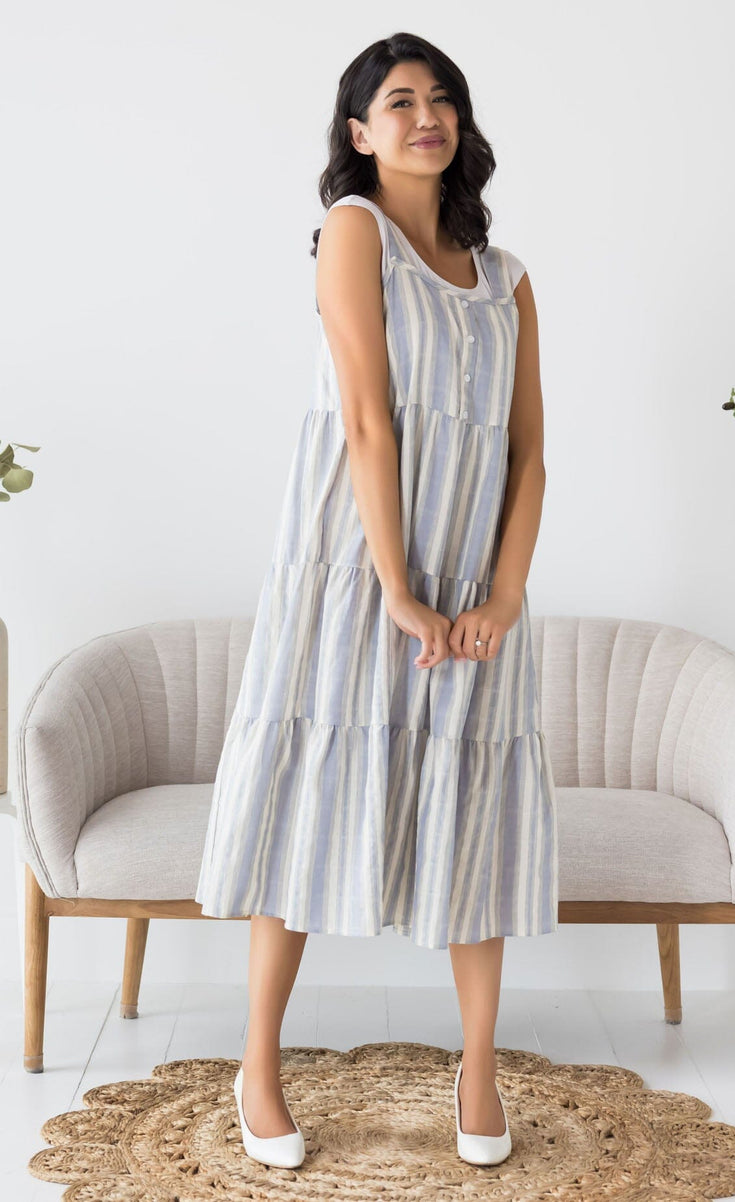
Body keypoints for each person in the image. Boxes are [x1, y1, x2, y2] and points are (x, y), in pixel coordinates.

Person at [194, 31, 558, 1167]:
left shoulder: (506, 278)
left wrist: (503, 594)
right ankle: (258, 1066)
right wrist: (396, 589)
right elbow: (364, 417)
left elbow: (528, 455)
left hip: (472, 589)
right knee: (304, 798)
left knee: (476, 814)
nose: (424, 115)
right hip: (350, 571)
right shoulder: (352, 231)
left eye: (441, 98)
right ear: (359, 132)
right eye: (398, 101)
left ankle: (478, 1070)